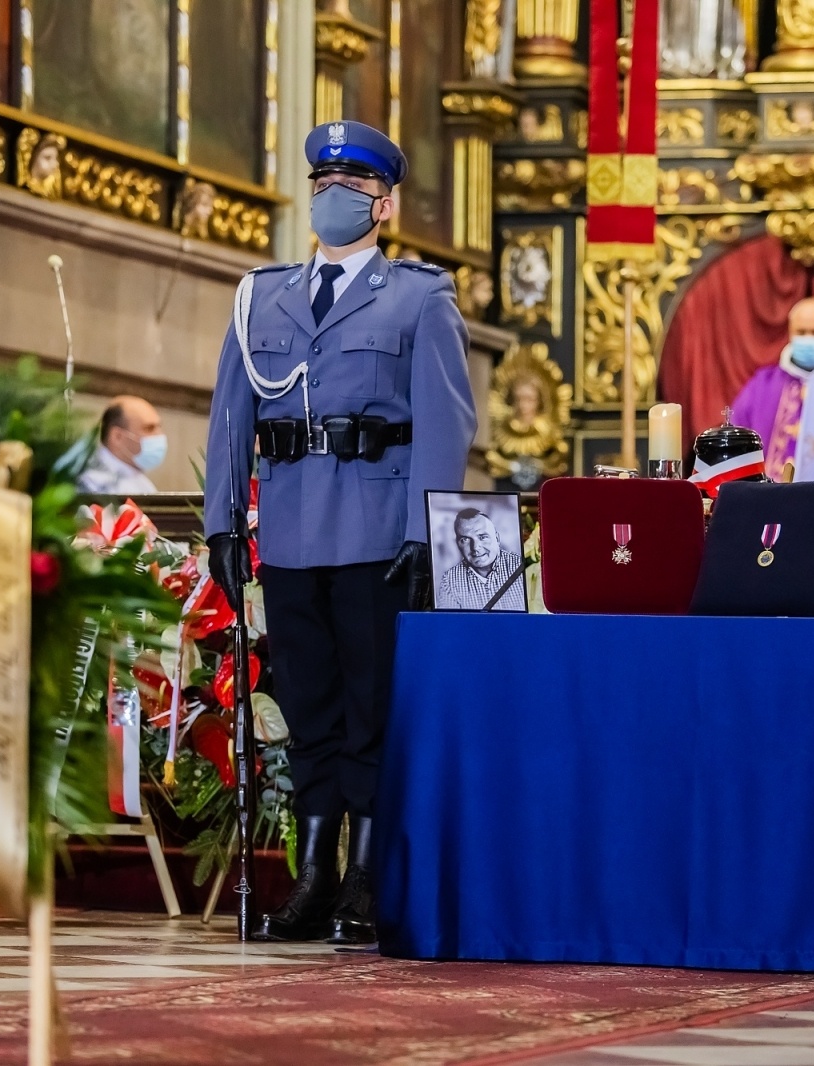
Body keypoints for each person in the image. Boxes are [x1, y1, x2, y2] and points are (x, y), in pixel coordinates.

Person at [204, 120, 476, 944]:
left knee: (372, 710)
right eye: (322, 185)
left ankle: (367, 873)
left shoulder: (419, 297)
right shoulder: (262, 295)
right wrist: (222, 521)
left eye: (351, 189)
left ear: (383, 204)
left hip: (375, 532)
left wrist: (425, 528)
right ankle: (313, 872)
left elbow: (445, 420)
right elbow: (229, 416)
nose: (332, 199)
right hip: (287, 530)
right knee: (308, 705)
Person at [730, 297, 814, 481]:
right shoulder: (763, 384)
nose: (808, 339)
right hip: (772, 499)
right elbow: (735, 443)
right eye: (801, 332)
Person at [436, 508, 526, 611]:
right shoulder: (450, 581)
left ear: (497, 538)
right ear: (458, 544)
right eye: (465, 540)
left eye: (483, 537)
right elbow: (450, 623)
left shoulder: (521, 566)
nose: (475, 547)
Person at [77, 395, 166, 494]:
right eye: (149, 428)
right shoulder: (92, 482)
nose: (159, 435)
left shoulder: (141, 482)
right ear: (117, 436)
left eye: (159, 427)